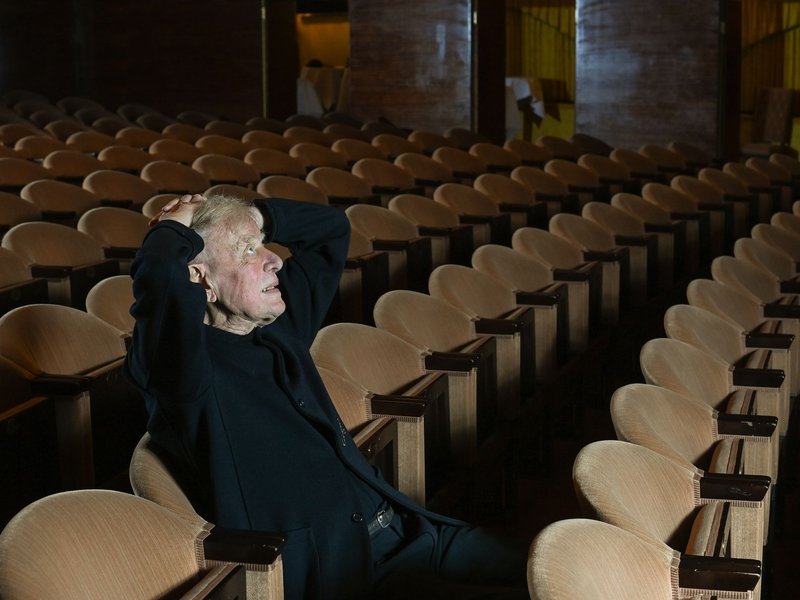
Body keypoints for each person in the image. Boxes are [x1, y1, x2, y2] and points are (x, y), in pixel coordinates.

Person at [124, 193, 529, 600]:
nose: (274, 259)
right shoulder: (184, 374)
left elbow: (331, 230)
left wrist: (254, 216)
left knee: (557, 568)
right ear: (201, 280)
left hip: (413, 533)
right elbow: (159, 282)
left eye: (264, 243)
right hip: (354, 575)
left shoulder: (279, 327)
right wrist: (171, 227)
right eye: (248, 250)